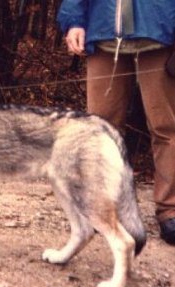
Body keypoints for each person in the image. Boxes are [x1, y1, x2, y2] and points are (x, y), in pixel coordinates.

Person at [57, 0, 175, 245]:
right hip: (103, 33)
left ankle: (170, 210)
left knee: (166, 127)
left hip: (160, 31)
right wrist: (74, 21)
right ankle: (101, 206)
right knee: (100, 130)